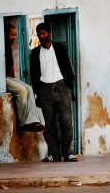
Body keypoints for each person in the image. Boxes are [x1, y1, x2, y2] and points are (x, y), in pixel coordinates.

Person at [30, 22, 78, 162]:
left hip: (61, 87)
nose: (41, 36)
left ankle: (67, 153)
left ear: (49, 34)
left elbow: (69, 68)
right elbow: (34, 75)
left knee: (66, 121)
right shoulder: (35, 53)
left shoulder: (59, 48)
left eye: (43, 33)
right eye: (39, 34)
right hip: (44, 89)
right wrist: (38, 91)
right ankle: (54, 155)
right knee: (49, 125)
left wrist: (68, 86)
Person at [4, 23, 44, 132]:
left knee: (29, 89)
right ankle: (22, 123)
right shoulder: (1, 46)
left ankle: (32, 120)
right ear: (6, 34)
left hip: (7, 78)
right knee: (21, 90)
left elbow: (11, 67)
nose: (14, 37)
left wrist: (14, 81)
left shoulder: (8, 46)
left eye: (15, 35)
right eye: (12, 35)